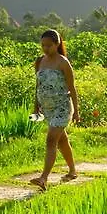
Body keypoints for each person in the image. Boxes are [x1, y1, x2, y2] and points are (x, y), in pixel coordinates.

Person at [30, 29, 81, 190]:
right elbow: (38, 85)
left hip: (62, 108)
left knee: (51, 140)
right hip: (48, 109)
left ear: (57, 44)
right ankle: (72, 171)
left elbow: (72, 88)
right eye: (43, 45)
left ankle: (43, 178)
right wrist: (36, 106)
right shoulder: (40, 61)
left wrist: (77, 111)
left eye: (49, 45)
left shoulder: (63, 62)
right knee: (62, 141)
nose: (46, 48)